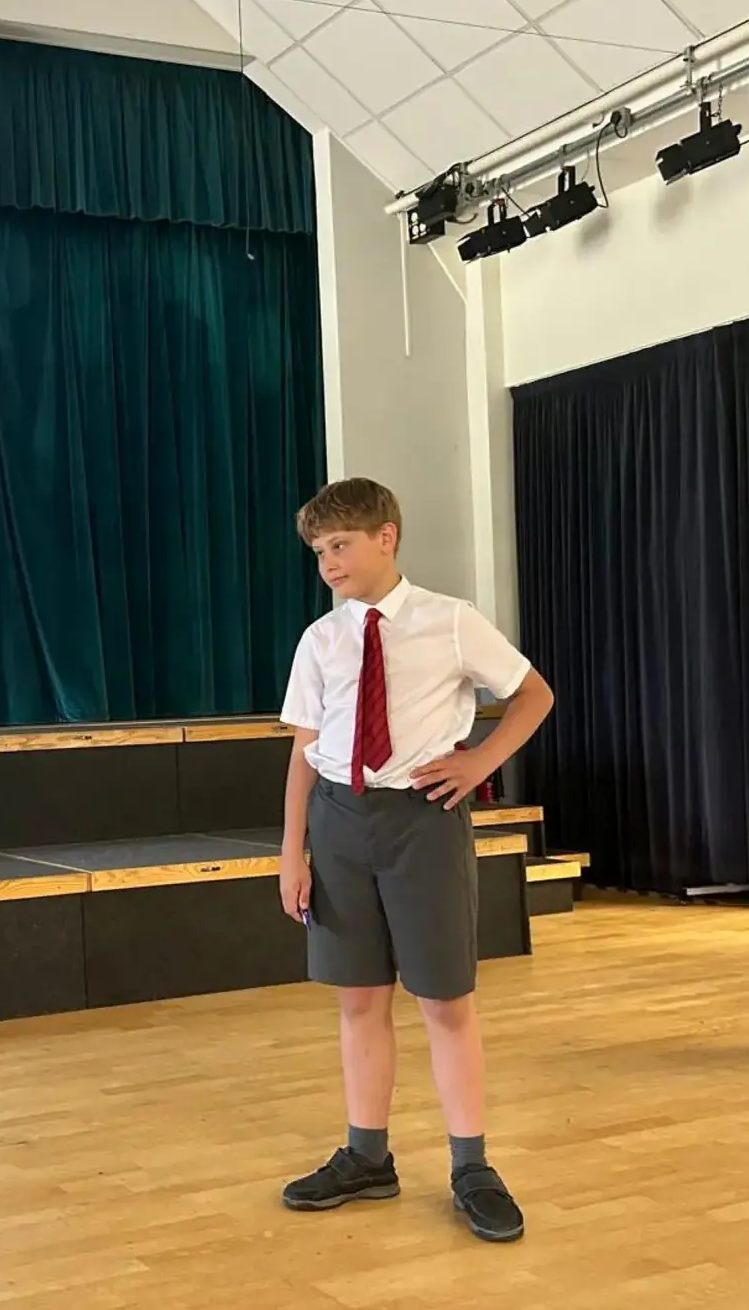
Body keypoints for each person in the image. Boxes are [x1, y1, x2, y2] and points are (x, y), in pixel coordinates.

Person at [274, 478, 554, 1244]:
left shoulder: (450, 622)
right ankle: (368, 1155)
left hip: (420, 822)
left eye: (341, 546)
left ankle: (471, 1166)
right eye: (319, 552)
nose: (328, 564)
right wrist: (292, 850)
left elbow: (533, 695)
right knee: (358, 999)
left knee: (444, 1000)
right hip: (337, 822)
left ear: (386, 537)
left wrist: (480, 762)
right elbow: (304, 751)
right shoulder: (321, 640)